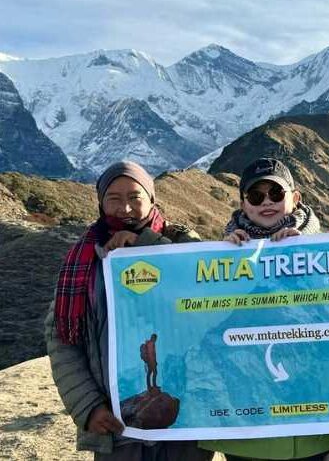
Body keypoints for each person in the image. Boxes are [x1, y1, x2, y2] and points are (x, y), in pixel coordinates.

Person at [45, 161, 212, 461]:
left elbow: (207, 296)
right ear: (100, 203)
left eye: (135, 197)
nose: (125, 208)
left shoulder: (183, 242)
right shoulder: (82, 262)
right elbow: (62, 341)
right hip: (117, 428)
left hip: (185, 423)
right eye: (114, 198)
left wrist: (144, 244)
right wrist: (87, 406)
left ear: (152, 199)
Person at [200, 157, 329, 461]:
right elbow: (205, 319)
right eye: (256, 196)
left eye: (276, 194)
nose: (266, 202)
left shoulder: (328, 253)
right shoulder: (222, 258)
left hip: (317, 420)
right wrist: (227, 262)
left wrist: (306, 257)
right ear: (243, 204)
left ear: (295, 198)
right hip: (247, 424)